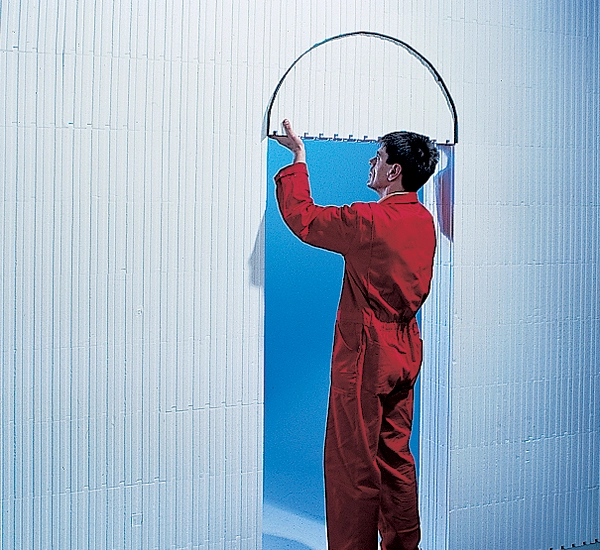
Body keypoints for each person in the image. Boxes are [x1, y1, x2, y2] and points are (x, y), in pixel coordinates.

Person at [271, 119, 439, 550]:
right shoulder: (423, 221)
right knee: (396, 458)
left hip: (368, 353)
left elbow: (304, 219)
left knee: (353, 464)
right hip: (406, 350)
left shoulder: (370, 220)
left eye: (379, 157)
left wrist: (299, 158)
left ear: (395, 171)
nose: (371, 162)